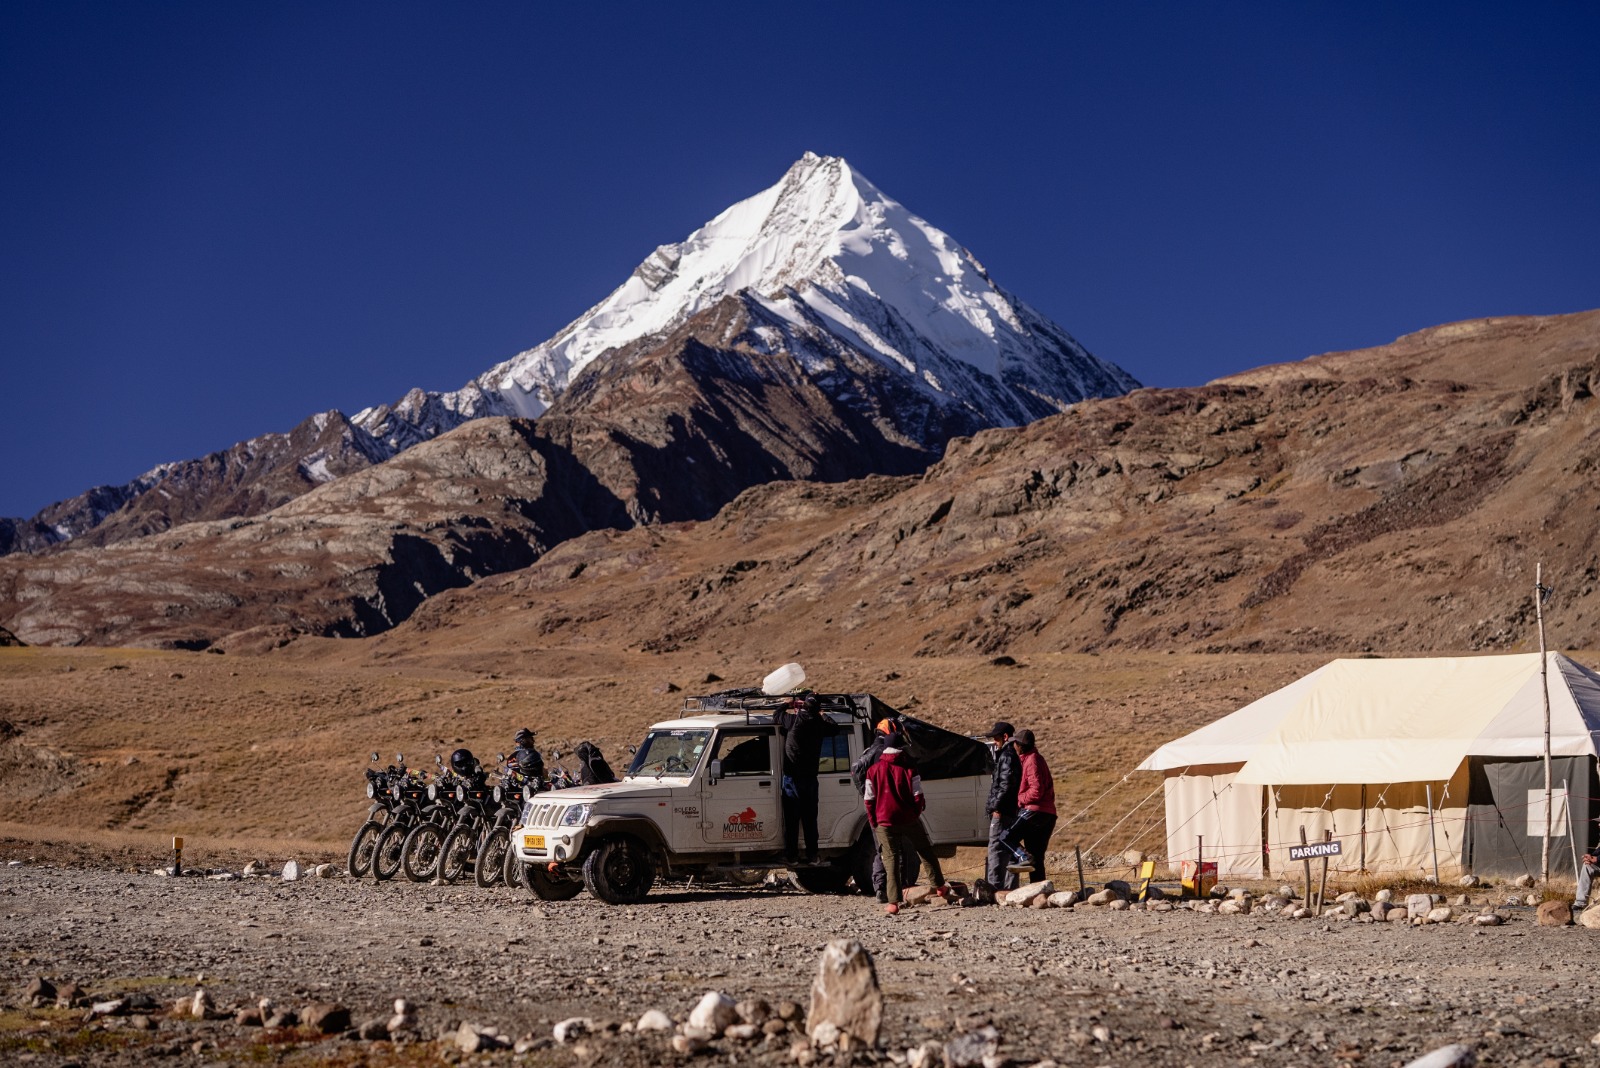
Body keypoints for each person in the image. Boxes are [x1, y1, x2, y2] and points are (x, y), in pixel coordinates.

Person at [863, 742, 947, 914]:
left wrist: (874, 821)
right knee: (924, 850)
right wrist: (915, 814)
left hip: (884, 821)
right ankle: (939, 886)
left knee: (890, 859)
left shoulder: (873, 770)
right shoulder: (909, 768)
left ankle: (893, 902)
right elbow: (918, 795)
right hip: (908, 819)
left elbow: (868, 799)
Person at [850, 717, 911, 901]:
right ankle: (894, 889)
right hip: (887, 808)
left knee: (881, 849)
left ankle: (880, 888)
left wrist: (868, 797)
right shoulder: (883, 751)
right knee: (893, 849)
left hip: (877, 807)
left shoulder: (873, 749)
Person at [779, 694, 825, 865]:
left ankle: (792, 856)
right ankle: (813, 855)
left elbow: (777, 715)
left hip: (793, 779)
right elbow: (835, 729)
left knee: (792, 821)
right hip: (811, 779)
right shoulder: (820, 724)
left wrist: (785, 705)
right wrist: (824, 715)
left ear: (803, 706)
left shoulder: (793, 721)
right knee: (810, 820)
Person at [1009, 729, 1057, 884]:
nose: (1014, 746)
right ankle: (1039, 891)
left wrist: (1019, 799)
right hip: (1047, 812)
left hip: (1035, 811)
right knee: (1036, 856)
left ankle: (1022, 858)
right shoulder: (1035, 759)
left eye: (1015, 743)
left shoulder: (1032, 761)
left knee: (1006, 837)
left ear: (1020, 745)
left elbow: (1036, 791)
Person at [983, 721, 1022, 890]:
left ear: (1005, 737)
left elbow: (1005, 785)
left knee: (996, 850)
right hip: (1012, 810)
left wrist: (995, 807)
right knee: (1008, 848)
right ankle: (1009, 889)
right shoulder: (1012, 754)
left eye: (996, 738)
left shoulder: (1006, 756)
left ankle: (994, 888)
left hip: (1002, 811)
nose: (994, 742)